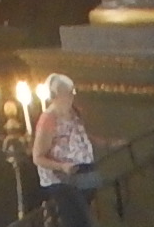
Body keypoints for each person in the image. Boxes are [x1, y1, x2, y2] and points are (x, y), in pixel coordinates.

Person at [33, 73, 96, 227]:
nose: (71, 96)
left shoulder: (74, 112)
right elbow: (38, 157)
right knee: (76, 219)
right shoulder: (48, 119)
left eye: (72, 91)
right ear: (55, 95)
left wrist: (108, 143)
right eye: (67, 92)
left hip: (82, 173)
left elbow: (80, 137)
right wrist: (62, 166)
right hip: (61, 180)